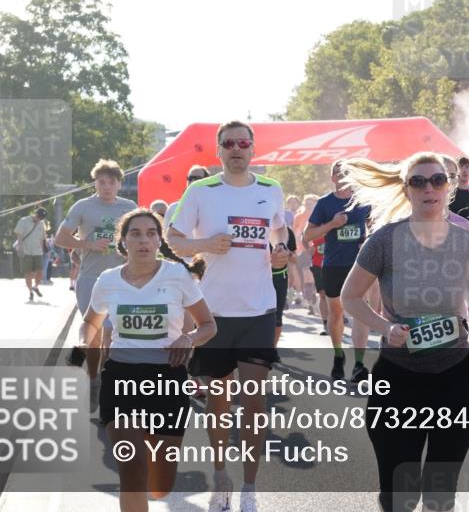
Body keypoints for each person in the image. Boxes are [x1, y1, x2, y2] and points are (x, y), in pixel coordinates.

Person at [339, 152, 469, 512]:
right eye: (418, 181)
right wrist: (386, 327)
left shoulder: (466, 241)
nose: (429, 188)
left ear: (449, 187)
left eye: (437, 180)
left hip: (456, 379)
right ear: (407, 189)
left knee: (439, 497)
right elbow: (350, 297)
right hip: (398, 379)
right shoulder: (384, 240)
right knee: (399, 496)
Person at [165, 121, 289, 512]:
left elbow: (279, 231)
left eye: (243, 143)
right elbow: (173, 239)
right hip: (215, 313)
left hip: (258, 310)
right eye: (229, 143)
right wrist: (204, 244)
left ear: (252, 149)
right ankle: (221, 478)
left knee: (254, 401)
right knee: (218, 401)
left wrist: (281, 251)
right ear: (218, 151)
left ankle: (250, 488)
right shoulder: (200, 191)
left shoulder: (271, 188)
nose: (237, 148)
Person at [77, 208, 216, 512]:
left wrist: (188, 339)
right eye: (136, 234)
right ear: (123, 241)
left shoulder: (177, 275)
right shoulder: (108, 280)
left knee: (160, 486)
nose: (144, 240)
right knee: (132, 469)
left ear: (159, 241)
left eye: (151, 234)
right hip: (121, 378)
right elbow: (90, 322)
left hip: (168, 379)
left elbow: (208, 325)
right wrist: (85, 343)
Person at [56, 159, 138, 413]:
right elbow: (60, 238)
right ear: (95, 183)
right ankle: (94, 379)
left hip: (121, 280)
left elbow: (140, 236)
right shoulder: (83, 206)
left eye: (111, 182)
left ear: (119, 184)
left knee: (111, 336)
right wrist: (88, 244)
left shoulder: (130, 208)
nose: (106, 186)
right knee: (94, 335)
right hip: (90, 278)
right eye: (101, 182)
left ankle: (106, 386)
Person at [303, 160, 373, 381]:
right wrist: (331, 225)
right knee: (337, 312)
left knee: (361, 312)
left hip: (360, 265)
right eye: (339, 174)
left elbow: (375, 226)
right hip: (333, 264)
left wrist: (369, 240)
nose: (343, 177)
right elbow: (307, 235)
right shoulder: (325, 203)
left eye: (347, 173)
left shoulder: (363, 201)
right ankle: (338, 355)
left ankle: (359, 364)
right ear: (332, 178)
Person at [14, 207, 49, 301]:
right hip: (26, 251)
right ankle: (30, 292)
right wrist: (20, 248)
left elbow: (43, 238)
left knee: (40, 271)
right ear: (35, 213)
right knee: (28, 273)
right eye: (38, 216)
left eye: (41, 218)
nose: (39, 219)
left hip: (38, 251)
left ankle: (36, 287)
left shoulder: (41, 223)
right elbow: (19, 235)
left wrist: (46, 250)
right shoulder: (24, 221)